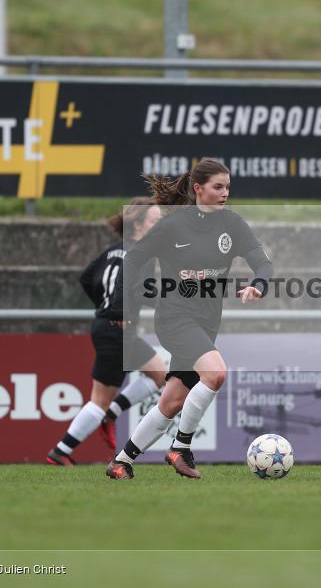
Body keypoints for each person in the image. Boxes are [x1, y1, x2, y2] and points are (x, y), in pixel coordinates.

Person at [104, 158, 273, 480]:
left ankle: (121, 462)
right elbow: (133, 260)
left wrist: (258, 284)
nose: (225, 193)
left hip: (207, 323)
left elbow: (263, 264)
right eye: (218, 187)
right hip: (175, 319)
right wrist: (120, 307)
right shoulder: (172, 226)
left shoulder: (233, 225)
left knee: (172, 401)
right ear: (198, 189)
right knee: (217, 374)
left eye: (228, 187)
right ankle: (180, 448)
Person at [46, 198, 168, 466]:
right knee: (104, 399)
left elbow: (86, 278)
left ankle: (67, 446)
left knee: (157, 374)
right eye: (155, 221)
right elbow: (144, 293)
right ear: (138, 224)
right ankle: (65, 447)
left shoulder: (113, 251)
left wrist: (104, 305)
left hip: (104, 326)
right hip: (117, 329)